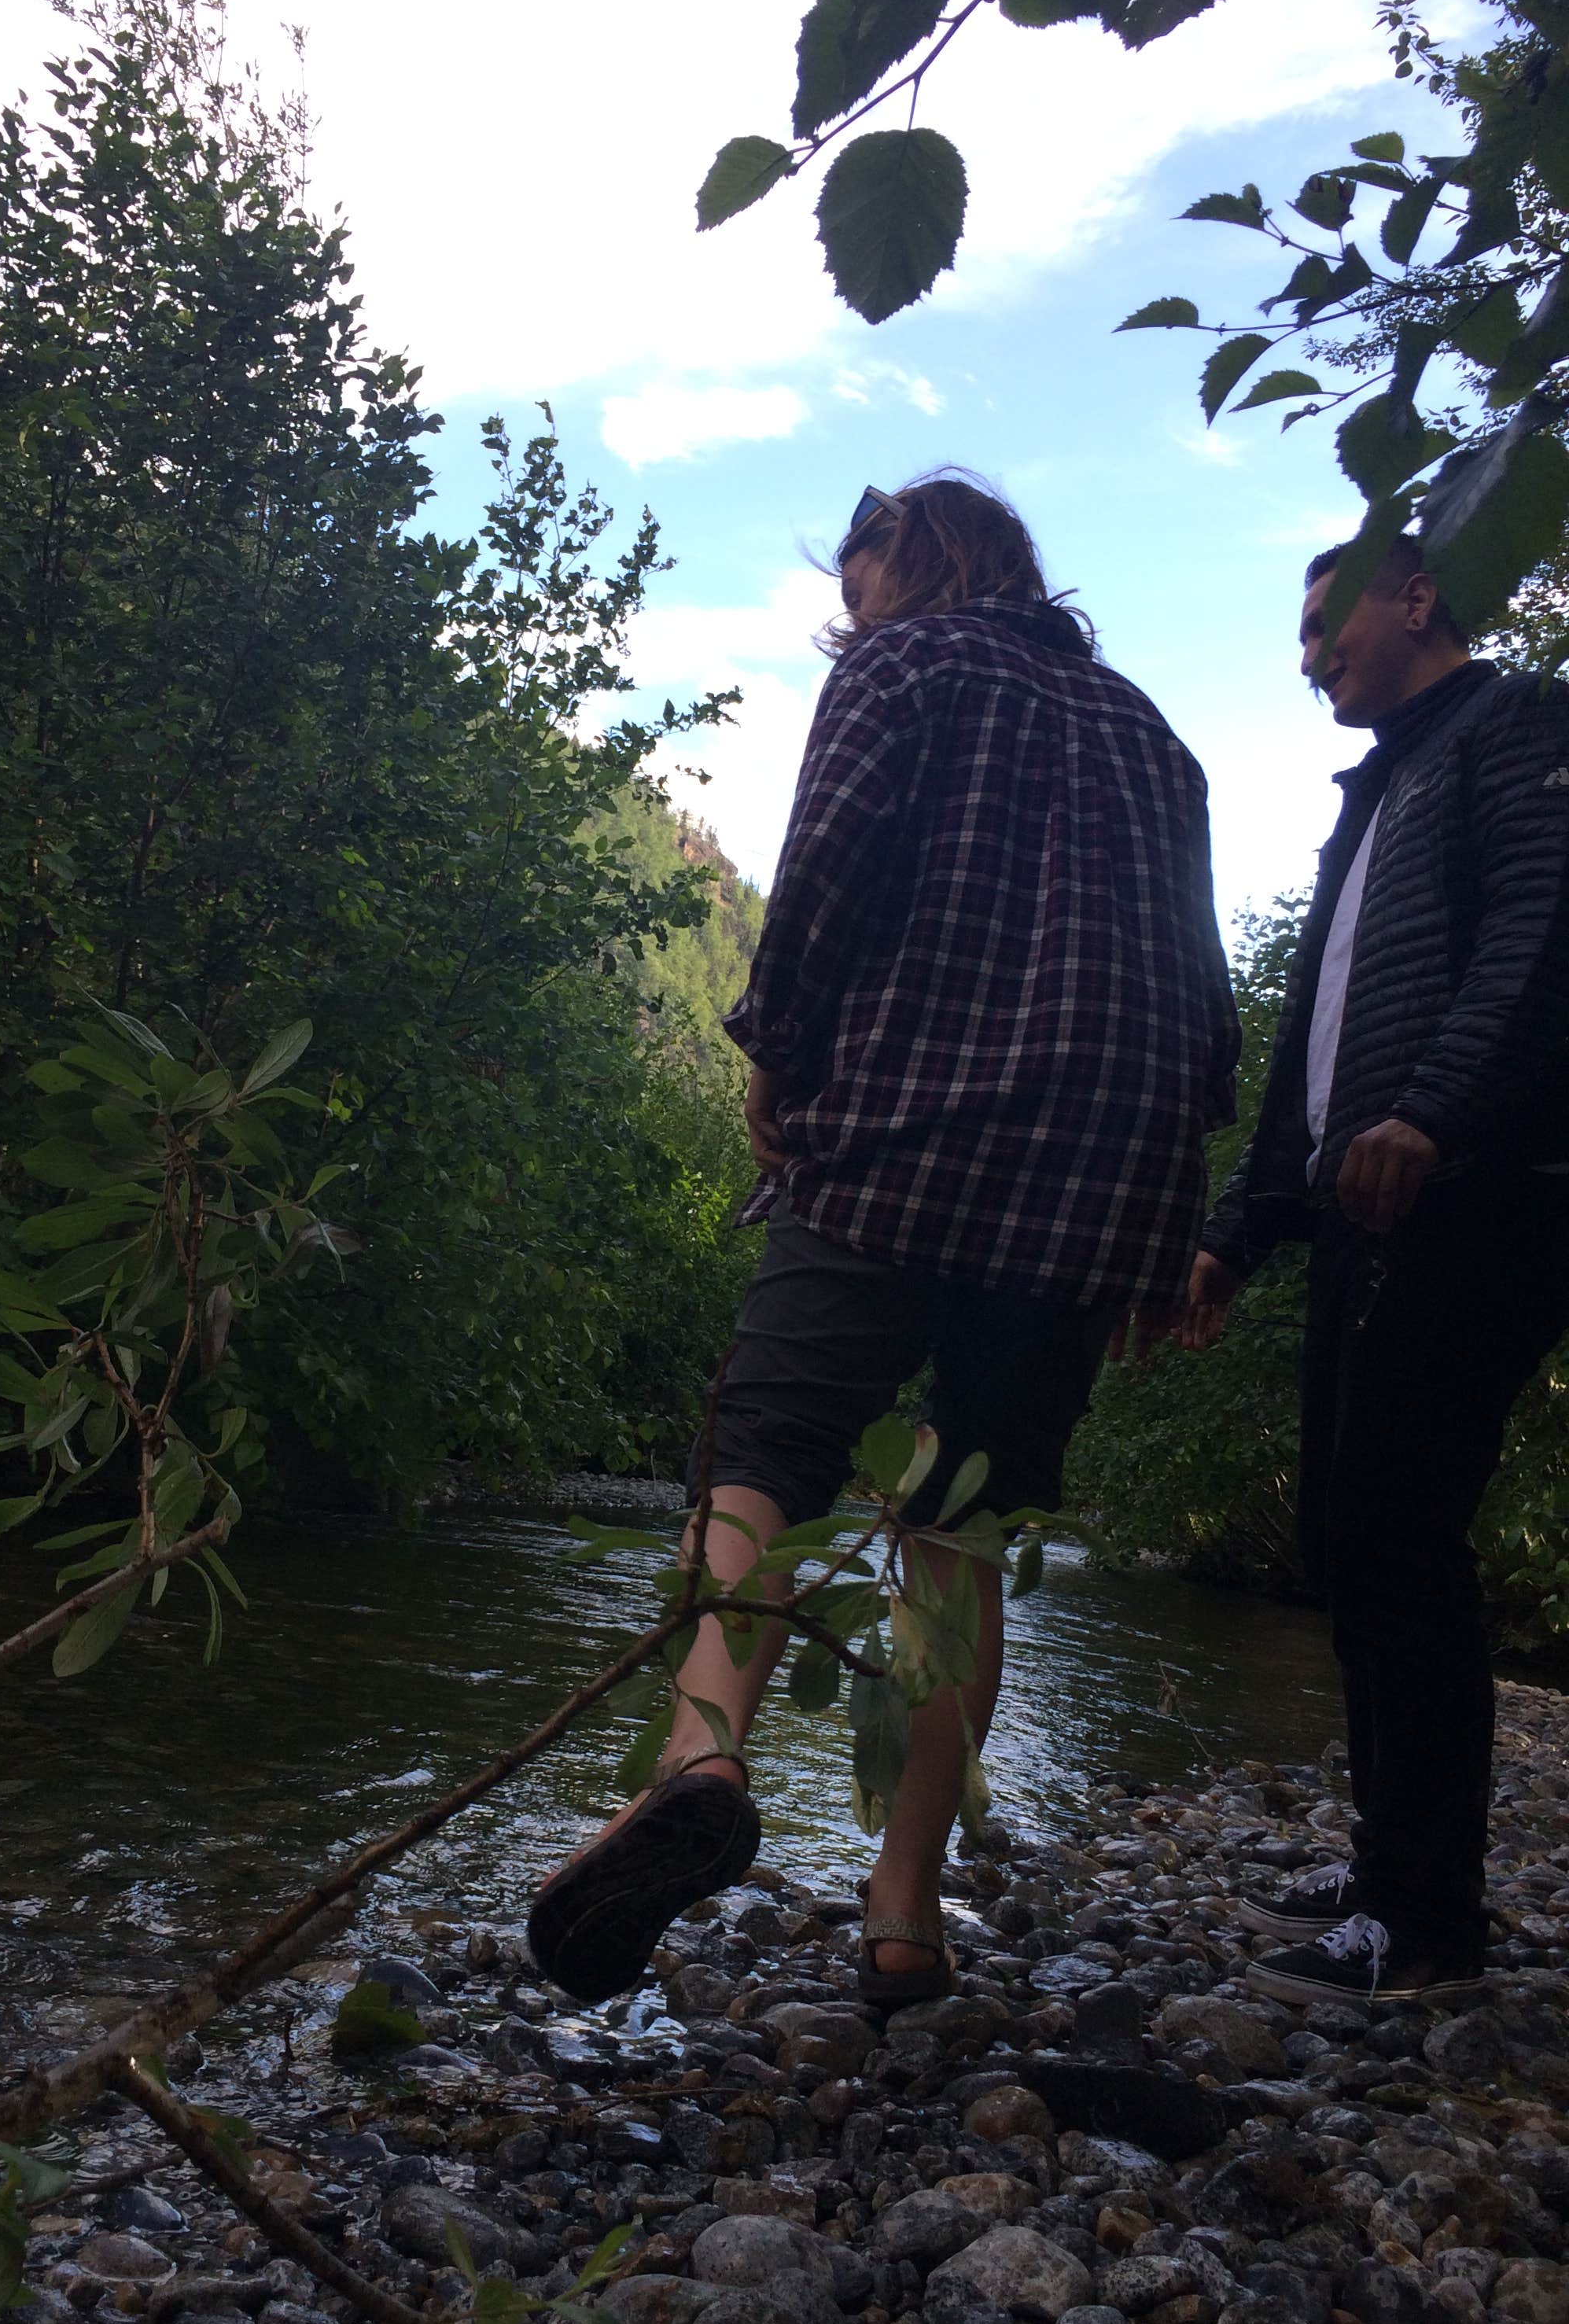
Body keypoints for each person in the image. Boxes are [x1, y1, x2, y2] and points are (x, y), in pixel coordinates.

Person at [528, 470, 1239, 2009]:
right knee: (959, 1524)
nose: (849, 620)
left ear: (916, 566)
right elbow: (1203, 992)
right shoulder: (1155, 739)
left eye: (858, 589)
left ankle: (700, 1761)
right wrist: (1167, 1215)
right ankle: (905, 1912)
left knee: (770, 1445)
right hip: (1103, 1169)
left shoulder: (906, 666)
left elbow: (827, 880)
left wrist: (774, 1055)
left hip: (910, 1123)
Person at [1183, 534, 1569, 2011]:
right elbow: (1316, 1042)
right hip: (1368, 1209)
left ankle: (1426, 1920)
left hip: (1482, 1198)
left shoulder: (1519, 726)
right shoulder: (1381, 789)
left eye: (1321, 625)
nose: (1307, 659)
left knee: (1401, 1533)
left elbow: (1542, 930)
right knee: (1346, 1538)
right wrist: (1239, 1227)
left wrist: (1438, 1113)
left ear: (1415, 599)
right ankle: (1387, 1867)